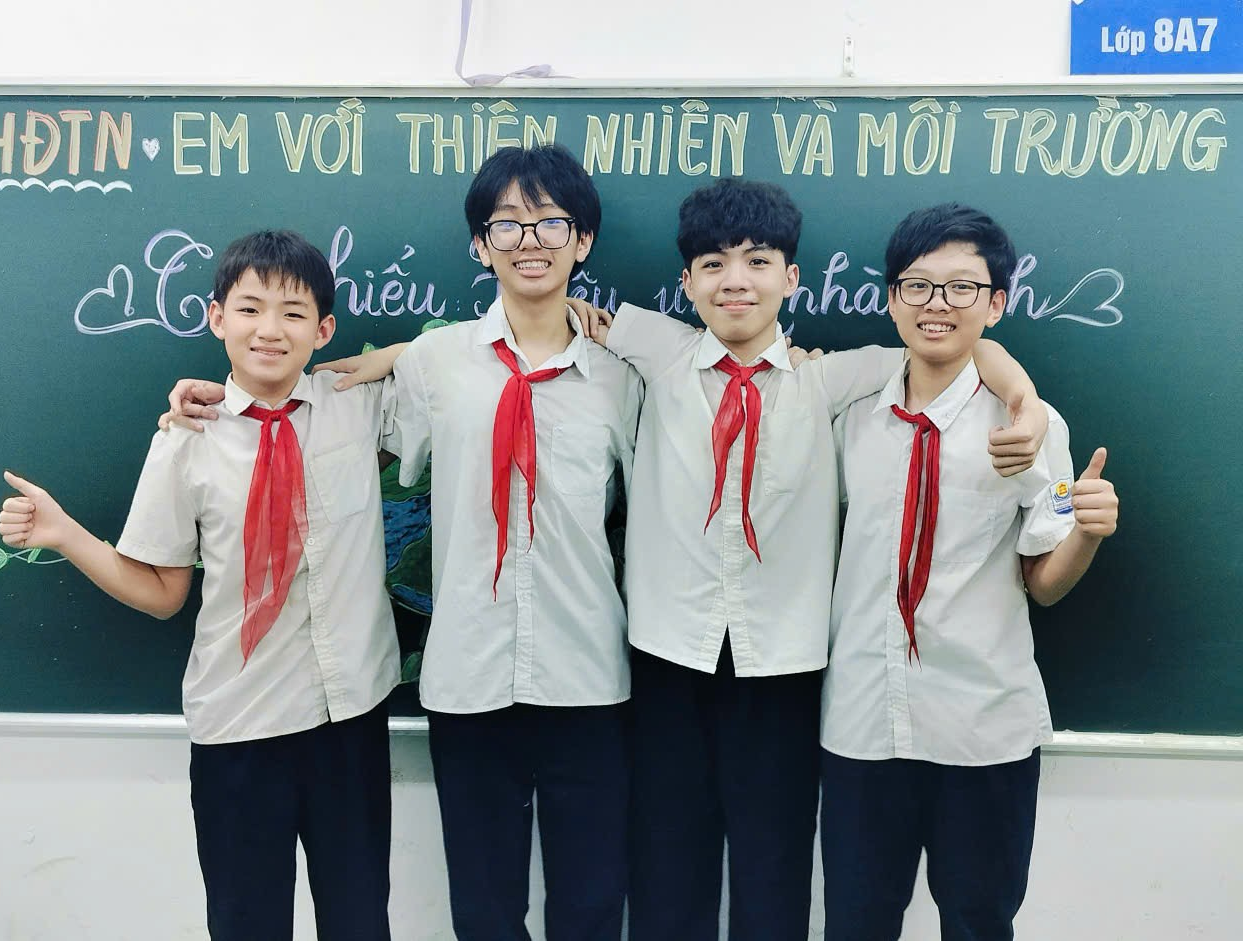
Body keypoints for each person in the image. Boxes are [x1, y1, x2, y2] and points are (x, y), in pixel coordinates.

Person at [160, 145, 643, 941]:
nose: (531, 239)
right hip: (468, 680)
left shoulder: (623, 376)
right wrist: (202, 405)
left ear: (582, 240)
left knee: (591, 905)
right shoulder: (431, 365)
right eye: (507, 224)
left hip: (589, 676)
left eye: (552, 221)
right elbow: (315, 397)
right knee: (484, 912)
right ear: (480, 245)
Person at [575, 177, 1049, 941]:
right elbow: (536, 312)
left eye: (759, 261)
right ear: (686, 281)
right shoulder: (654, 349)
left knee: (776, 873)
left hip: (786, 666)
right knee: (666, 872)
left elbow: (961, 342)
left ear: (791, 278)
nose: (736, 280)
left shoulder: (838, 377)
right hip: (667, 657)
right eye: (714, 264)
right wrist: (392, 354)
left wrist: (1023, 399)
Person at [0, 230, 399, 940]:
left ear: (325, 328)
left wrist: (367, 363)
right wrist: (65, 532)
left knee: (362, 919)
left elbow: (454, 359)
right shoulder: (186, 440)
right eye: (249, 309)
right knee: (247, 924)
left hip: (351, 725)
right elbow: (161, 591)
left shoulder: (357, 407)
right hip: (239, 734)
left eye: (294, 312)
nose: (269, 329)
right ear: (216, 318)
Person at [818, 203, 1120, 941]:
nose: (937, 305)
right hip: (862, 725)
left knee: (980, 922)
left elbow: (1044, 581)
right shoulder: (844, 409)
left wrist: (1087, 531)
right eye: (918, 286)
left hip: (983, 727)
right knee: (855, 922)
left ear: (996, 302)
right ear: (891, 299)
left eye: (961, 288)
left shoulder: (1027, 424)